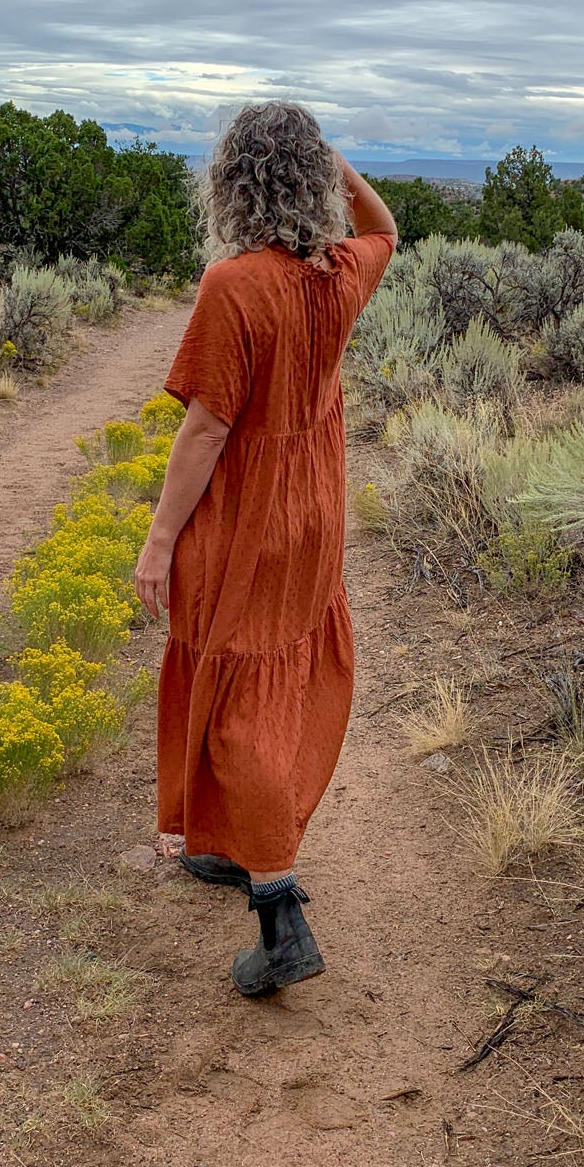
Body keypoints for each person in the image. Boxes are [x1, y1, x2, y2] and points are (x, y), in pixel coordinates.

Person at [133, 102, 398, 995]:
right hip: (314, 514)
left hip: (249, 518)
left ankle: (279, 910)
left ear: (231, 180)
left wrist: (159, 540)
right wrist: (339, 166)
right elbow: (386, 227)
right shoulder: (337, 272)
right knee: (277, 673)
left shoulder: (234, 285)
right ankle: (234, 845)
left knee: (237, 691)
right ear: (311, 179)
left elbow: (205, 432)